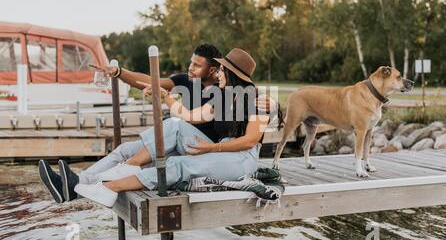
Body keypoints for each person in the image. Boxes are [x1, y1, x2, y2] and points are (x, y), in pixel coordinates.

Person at [38, 45, 276, 204]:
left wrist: (212, 149)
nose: (219, 73)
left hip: (240, 156)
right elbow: (188, 115)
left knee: (176, 164)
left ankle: (107, 185)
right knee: (172, 125)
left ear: (230, 73)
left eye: (223, 70)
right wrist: (165, 96)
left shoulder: (254, 98)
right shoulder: (220, 97)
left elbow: (251, 140)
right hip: (210, 148)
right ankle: (93, 182)